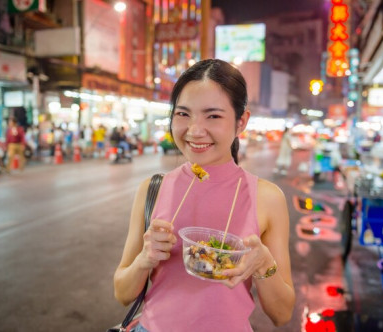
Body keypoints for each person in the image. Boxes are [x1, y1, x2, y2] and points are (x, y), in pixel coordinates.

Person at [113, 59, 295, 331]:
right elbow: (123, 293)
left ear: (241, 121)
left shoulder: (267, 198)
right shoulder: (152, 189)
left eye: (213, 116)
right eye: (183, 114)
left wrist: (264, 264)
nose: (195, 130)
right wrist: (144, 260)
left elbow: (281, 314)